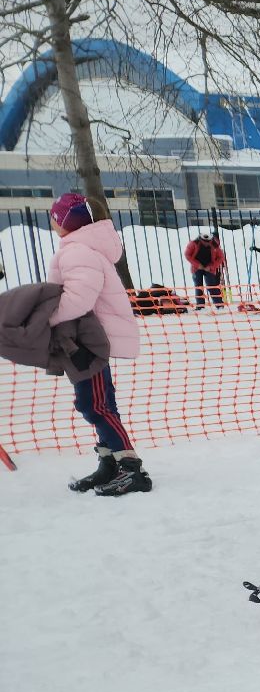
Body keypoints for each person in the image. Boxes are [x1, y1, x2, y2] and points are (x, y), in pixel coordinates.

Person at [47, 193, 151, 496]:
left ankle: (132, 469)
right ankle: (110, 463)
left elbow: (78, 299)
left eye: (55, 217)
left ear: (65, 221)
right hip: (87, 337)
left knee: (93, 405)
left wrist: (47, 315)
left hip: (86, 340)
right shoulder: (82, 247)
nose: (52, 223)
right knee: (102, 403)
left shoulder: (77, 251)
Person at [185, 231, 227, 308]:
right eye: (204, 241)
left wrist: (211, 267)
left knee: (212, 286)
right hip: (196, 268)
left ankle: (219, 305)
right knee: (198, 287)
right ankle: (200, 306)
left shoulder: (215, 245)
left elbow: (221, 257)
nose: (206, 243)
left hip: (210, 267)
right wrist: (197, 265)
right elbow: (187, 255)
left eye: (208, 241)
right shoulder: (193, 243)